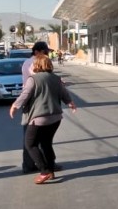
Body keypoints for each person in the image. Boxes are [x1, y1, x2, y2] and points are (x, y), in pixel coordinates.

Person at [9, 54, 77, 184]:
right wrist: (70, 103)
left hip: (39, 118)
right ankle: (51, 171)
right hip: (56, 118)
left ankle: (44, 170)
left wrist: (15, 106)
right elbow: (64, 94)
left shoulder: (33, 79)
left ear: (38, 65)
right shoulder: (56, 78)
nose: (33, 65)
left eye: (35, 63)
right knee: (46, 143)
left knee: (30, 144)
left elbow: (25, 95)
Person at [20, 41, 53, 174]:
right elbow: (41, 80)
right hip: (37, 100)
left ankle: (29, 165)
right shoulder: (36, 63)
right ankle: (46, 165)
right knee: (41, 136)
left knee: (31, 136)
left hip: (31, 100)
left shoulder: (27, 62)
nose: (47, 54)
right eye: (45, 52)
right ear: (37, 51)